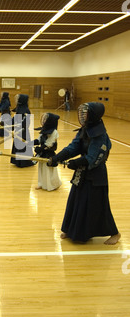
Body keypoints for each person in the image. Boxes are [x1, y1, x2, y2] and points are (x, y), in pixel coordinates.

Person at [48, 102, 120, 245]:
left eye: (85, 112)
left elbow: (92, 157)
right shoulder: (85, 129)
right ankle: (72, 230)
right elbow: (73, 147)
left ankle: (115, 233)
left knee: (99, 206)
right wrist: (57, 157)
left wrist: (75, 163)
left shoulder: (100, 135)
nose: (82, 115)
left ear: (93, 115)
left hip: (96, 176)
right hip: (83, 172)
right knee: (76, 200)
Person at [34, 113, 61, 191]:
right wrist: (31, 142)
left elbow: (48, 144)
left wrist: (40, 149)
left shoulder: (54, 132)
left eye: (46, 120)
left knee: (48, 169)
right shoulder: (44, 130)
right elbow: (39, 140)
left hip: (49, 153)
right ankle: (41, 184)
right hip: (43, 153)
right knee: (41, 168)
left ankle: (52, 185)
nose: (44, 121)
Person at [11, 94, 35, 168]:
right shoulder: (19, 108)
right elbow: (15, 119)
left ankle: (24, 162)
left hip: (23, 131)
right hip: (18, 130)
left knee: (22, 145)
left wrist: (19, 127)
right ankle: (17, 161)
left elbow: (26, 123)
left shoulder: (25, 110)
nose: (16, 100)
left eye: (17, 99)